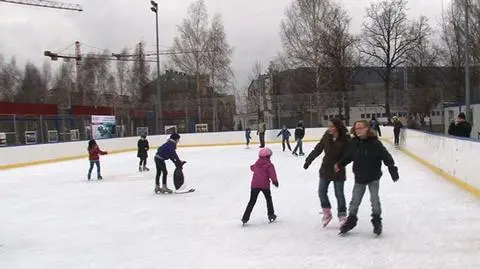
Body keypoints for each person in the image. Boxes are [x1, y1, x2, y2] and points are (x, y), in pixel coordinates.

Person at [335, 120, 399, 235]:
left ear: (367, 129)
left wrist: (392, 169)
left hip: (373, 177)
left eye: (360, 128)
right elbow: (348, 156)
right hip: (359, 177)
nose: (358, 130)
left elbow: (386, 157)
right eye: (356, 128)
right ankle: (351, 220)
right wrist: (340, 164)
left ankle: (377, 221)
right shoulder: (354, 143)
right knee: (354, 202)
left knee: (374, 201)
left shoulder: (375, 143)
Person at [304, 118, 350, 227]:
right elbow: (318, 148)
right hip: (326, 168)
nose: (329, 128)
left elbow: (349, 155)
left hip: (338, 169)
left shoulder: (345, 139)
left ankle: (342, 215)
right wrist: (309, 160)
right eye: (328, 126)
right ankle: (327, 212)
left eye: (332, 126)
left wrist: (341, 164)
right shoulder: (327, 136)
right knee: (321, 192)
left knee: (339, 194)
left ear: (337, 127)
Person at [241, 147, 278, 225]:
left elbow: (252, 168)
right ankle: (271, 215)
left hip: (254, 185)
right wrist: (275, 181)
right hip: (265, 185)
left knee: (252, 201)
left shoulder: (257, 163)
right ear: (268, 156)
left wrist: (253, 167)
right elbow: (272, 174)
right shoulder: (269, 165)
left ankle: (245, 218)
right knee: (268, 199)